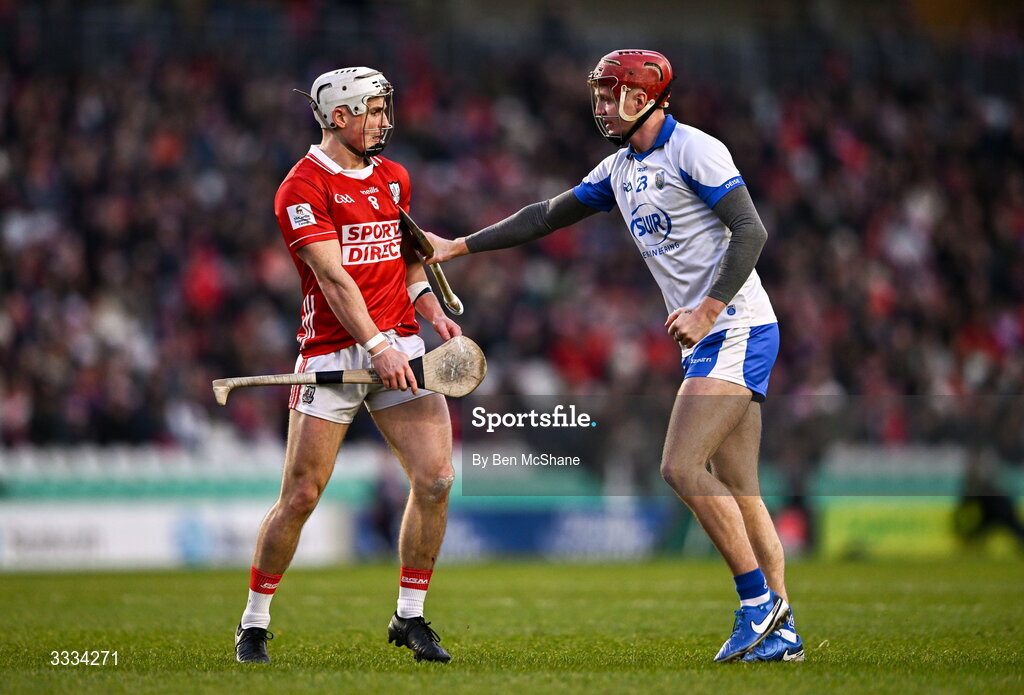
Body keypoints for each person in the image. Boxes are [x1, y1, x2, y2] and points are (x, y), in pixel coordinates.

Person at [425, 49, 802, 663]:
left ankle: (758, 608)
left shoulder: (696, 150)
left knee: (680, 467)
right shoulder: (619, 168)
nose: (600, 104)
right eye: (598, 93)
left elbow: (750, 231)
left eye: (611, 92)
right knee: (740, 486)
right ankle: (782, 634)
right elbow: (545, 216)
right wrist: (457, 247)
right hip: (716, 334)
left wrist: (708, 308)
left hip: (736, 327)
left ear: (645, 95)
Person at [234, 67, 459, 664]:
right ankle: (254, 622)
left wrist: (431, 311)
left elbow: (407, 260)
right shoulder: (300, 188)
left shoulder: (394, 178)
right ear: (339, 116)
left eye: (386, 109)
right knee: (302, 494)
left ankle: (409, 618)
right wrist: (378, 346)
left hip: (402, 344)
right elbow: (334, 280)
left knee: (435, 479)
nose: (386, 121)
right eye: (374, 111)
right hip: (334, 350)